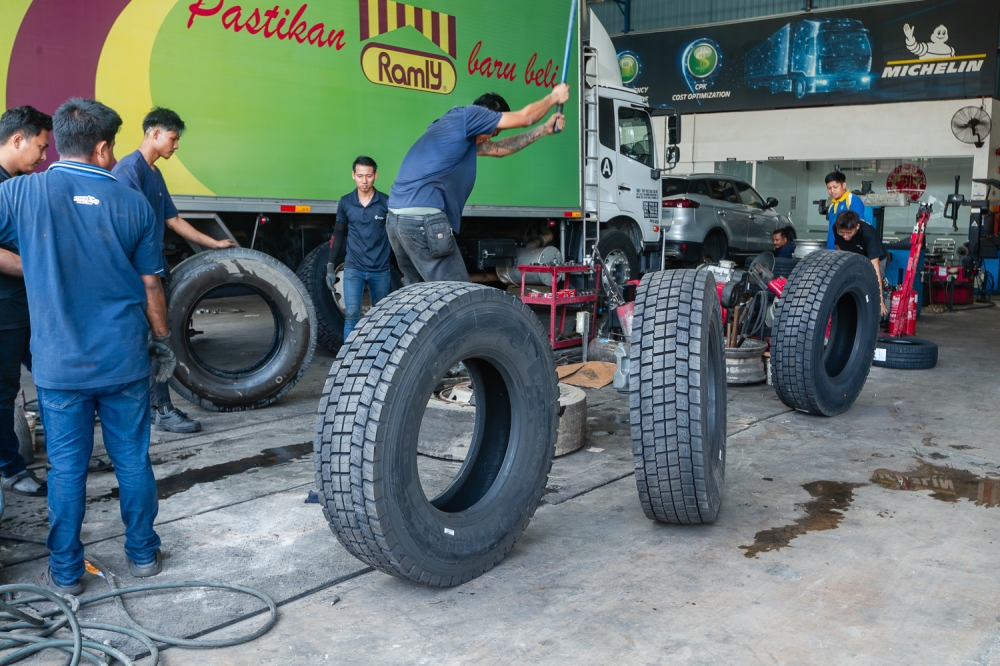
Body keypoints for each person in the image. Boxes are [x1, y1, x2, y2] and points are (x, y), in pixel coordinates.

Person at [0, 98, 174, 594]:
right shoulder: (133, 203)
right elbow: (151, 287)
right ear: (103, 148)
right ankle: (143, 554)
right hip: (123, 362)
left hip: (59, 367)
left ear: (58, 140)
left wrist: (33, 264)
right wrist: (162, 341)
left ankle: (66, 571)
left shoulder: (22, 193)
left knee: (67, 469)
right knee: (133, 460)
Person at [113, 108, 236, 434]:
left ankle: (154, 408)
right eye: (174, 137)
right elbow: (132, 228)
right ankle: (162, 411)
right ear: (154, 133)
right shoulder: (128, 171)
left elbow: (173, 220)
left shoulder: (153, 174)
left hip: (152, 268)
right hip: (137, 275)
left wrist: (212, 243)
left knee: (154, 341)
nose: (176, 145)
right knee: (155, 341)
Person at [387, 84, 570, 284]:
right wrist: (554, 96)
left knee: (420, 296)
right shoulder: (471, 115)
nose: (492, 136)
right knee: (456, 295)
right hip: (422, 220)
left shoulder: (452, 129)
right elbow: (526, 117)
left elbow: (501, 149)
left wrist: (544, 129)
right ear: (488, 115)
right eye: (494, 130)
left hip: (398, 221)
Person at [0, 106, 50, 498]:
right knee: (3, 392)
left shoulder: (19, 182)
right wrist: (41, 269)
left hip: (28, 307)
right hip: (5, 310)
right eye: (40, 146)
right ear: (18, 139)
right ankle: (10, 469)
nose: (44, 156)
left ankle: (68, 454)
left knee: (54, 379)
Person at [324, 156, 391, 341]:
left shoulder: (386, 202)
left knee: (381, 318)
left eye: (368, 176)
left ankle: (378, 360)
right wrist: (331, 265)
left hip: (381, 269)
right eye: (360, 175)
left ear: (375, 175)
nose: (364, 181)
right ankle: (348, 361)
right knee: (352, 315)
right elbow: (338, 234)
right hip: (354, 267)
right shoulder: (345, 202)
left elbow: (397, 235)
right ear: (353, 175)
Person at [834, 210, 888, 317]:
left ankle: (879, 302)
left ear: (857, 227)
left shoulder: (868, 232)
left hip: (875, 258)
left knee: (871, 279)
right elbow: (839, 247)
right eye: (842, 232)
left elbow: (875, 267)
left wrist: (880, 300)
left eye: (849, 233)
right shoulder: (836, 229)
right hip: (856, 255)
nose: (845, 236)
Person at [824, 171, 865, 250]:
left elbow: (857, 229)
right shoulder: (832, 206)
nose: (832, 191)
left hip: (846, 252)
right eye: (829, 188)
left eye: (835, 187)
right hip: (831, 250)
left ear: (843, 185)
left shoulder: (853, 201)